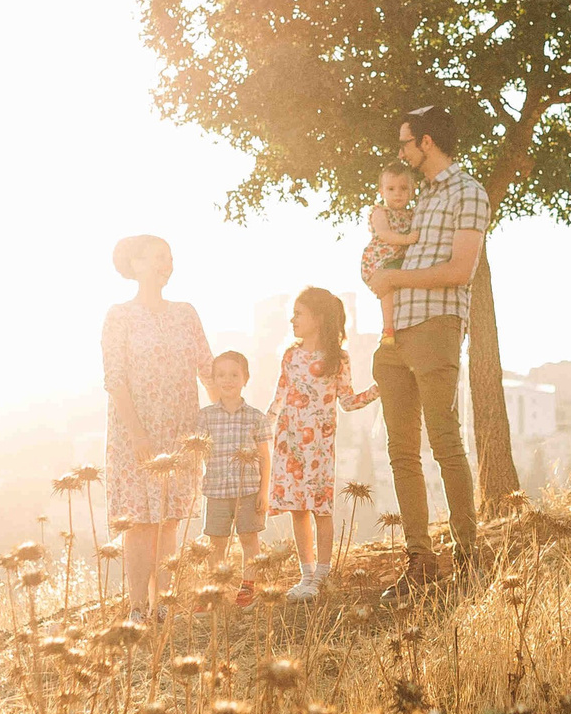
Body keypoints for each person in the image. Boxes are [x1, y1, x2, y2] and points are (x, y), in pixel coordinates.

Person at [363, 105, 489, 597]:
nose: (401, 152)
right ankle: (419, 560)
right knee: (400, 452)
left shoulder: (468, 192)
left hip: (436, 326)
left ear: (428, 142)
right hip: (395, 336)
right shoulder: (416, 197)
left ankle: (469, 556)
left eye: (405, 143)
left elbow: (461, 270)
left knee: (444, 441)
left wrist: (394, 277)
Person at [102, 233, 213, 619]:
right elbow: (114, 378)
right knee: (139, 522)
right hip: (136, 432)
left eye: (169, 257)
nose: (166, 263)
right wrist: (136, 433)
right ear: (135, 265)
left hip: (181, 430)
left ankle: (163, 604)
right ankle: (136, 608)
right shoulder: (120, 315)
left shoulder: (186, 313)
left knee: (168, 519)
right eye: (157, 257)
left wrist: (229, 419)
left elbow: (208, 370)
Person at [266, 287, 378, 602]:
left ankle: (322, 575)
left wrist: (378, 389)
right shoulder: (290, 355)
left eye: (299, 314)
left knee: (320, 508)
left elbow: (348, 401)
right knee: (296, 509)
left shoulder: (337, 358)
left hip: (318, 448)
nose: (292, 320)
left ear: (318, 318)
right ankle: (306, 574)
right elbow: (279, 397)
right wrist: (262, 426)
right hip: (289, 444)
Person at [197, 351, 271, 584]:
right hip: (217, 491)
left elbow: (265, 457)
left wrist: (263, 492)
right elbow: (197, 450)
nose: (227, 380)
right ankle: (216, 587)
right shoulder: (205, 416)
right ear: (214, 379)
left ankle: (249, 585)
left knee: (249, 538)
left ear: (245, 379)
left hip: (248, 491)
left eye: (234, 375)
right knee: (216, 541)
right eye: (221, 375)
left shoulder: (256, 417)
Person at [361, 162, 420, 348]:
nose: (397, 193)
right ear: (381, 192)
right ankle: (388, 328)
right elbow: (385, 234)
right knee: (388, 289)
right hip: (380, 261)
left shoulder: (412, 214)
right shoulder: (380, 212)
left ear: (412, 191)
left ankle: (404, 324)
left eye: (403, 188)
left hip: (398, 261)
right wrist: (408, 239)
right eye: (391, 189)